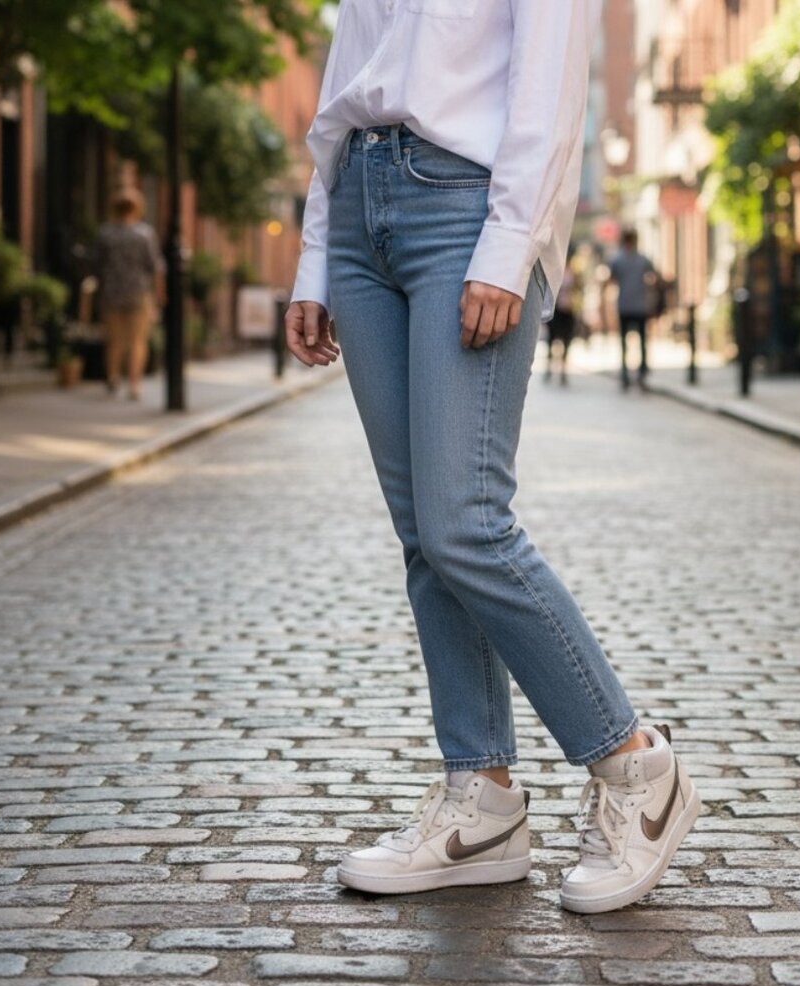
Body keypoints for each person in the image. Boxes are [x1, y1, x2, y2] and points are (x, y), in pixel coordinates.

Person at [285, 0, 699, 914]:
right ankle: (483, 802)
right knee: (424, 536)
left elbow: (547, 84)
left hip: (463, 207)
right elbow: (345, 78)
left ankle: (637, 768)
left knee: (466, 522)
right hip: (360, 203)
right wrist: (317, 258)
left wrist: (510, 244)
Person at [94, 188, 164, 400]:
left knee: (114, 340)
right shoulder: (144, 234)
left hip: (111, 293)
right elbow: (154, 266)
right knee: (137, 341)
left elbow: (96, 264)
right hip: (138, 293)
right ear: (138, 209)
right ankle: (135, 384)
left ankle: (113, 377)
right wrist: (159, 295)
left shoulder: (105, 233)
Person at [607, 228, 658, 390]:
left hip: (624, 305)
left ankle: (625, 375)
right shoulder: (642, 259)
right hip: (639, 305)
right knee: (642, 342)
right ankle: (641, 375)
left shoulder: (617, 260)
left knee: (624, 343)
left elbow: (611, 280)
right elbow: (654, 277)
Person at [544, 252, 578, 386]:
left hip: (568, 310)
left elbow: (577, 290)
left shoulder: (574, 273)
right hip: (556, 310)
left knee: (566, 342)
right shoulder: (555, 271)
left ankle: (563, 371)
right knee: (551, 341)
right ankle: (549, 369)